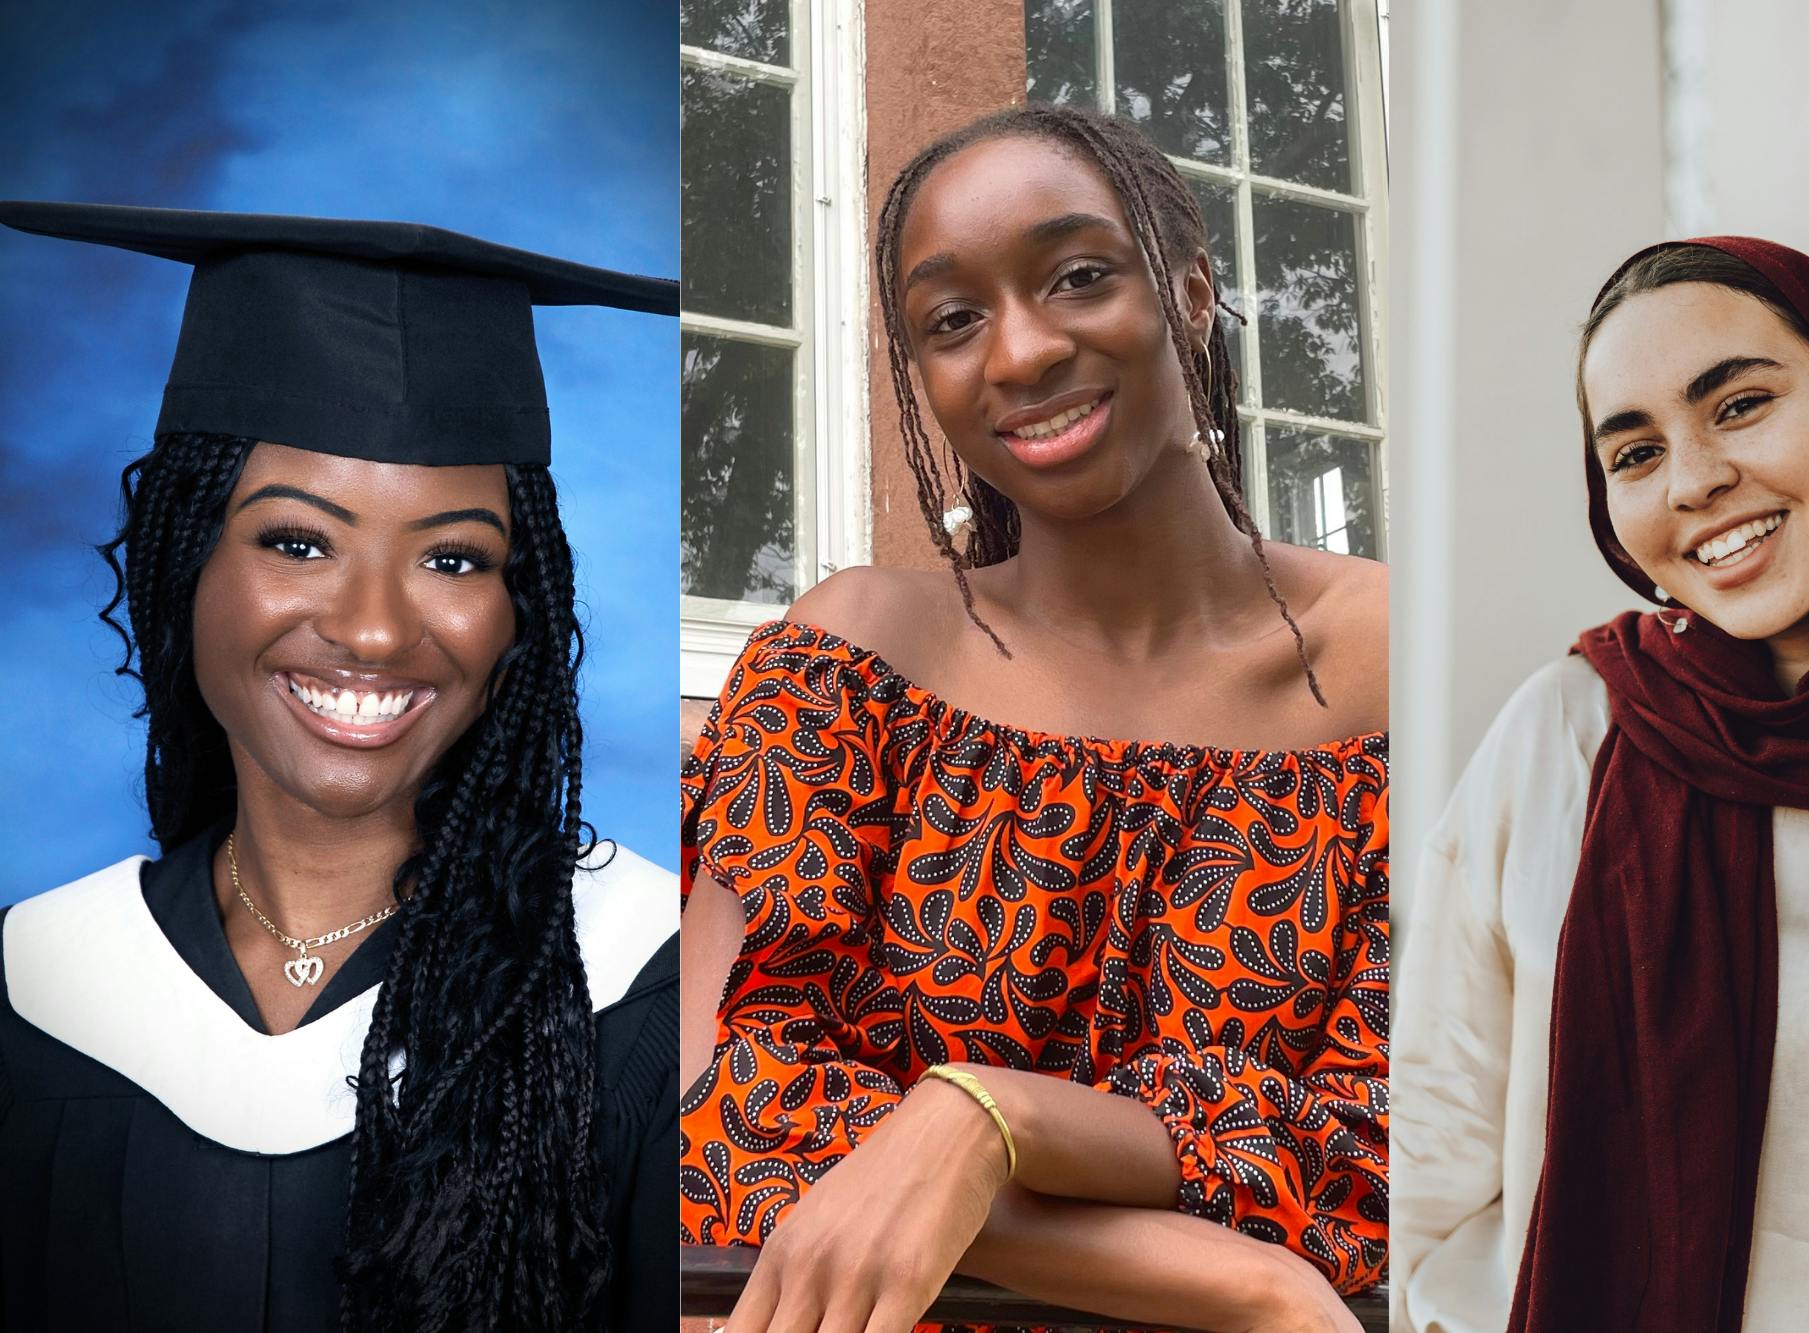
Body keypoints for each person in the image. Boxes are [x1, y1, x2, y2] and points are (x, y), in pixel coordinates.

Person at [681, 104, 1390, 1333]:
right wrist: (1243, 1280)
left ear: (1189, 292)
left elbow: (1396, 1143)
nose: (1016, 354)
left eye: (1076, 276)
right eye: (951, 320)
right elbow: (712, 1100)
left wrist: (983, 1119)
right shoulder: (851, 663)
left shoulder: (1405, 671)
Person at [0, 203, 681, 1333]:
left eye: (452, 557)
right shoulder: (38, 988)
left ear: (516, 610)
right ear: (186, 561)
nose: (372, 629)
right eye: (296, 542)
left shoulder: (636, 990)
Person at [1390, 238, 1809, 1332]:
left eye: (1738, 405)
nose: (1692, 480)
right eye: (1632, 454)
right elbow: (1425, 1174)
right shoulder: (1564, 736)